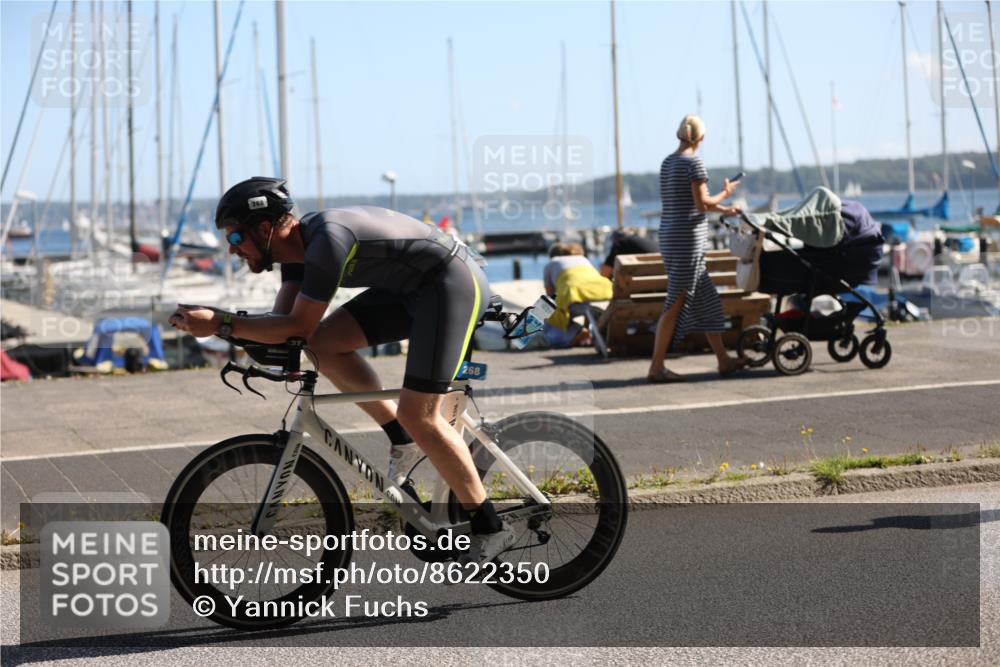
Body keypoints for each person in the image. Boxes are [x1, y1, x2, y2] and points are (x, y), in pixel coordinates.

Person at [169, 177, 514, 562]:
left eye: (235, 239)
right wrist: (226, 329)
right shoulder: (295, 255)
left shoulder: (326, 242)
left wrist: (221, 323)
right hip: (410, 290)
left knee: (421, 414)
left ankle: (490, 528)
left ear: (265, 229)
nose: (233, 251)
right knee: (323, 345)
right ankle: (401, 438)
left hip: (451, 285)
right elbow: (286, 326)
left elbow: (294, 326)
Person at [648, 115, 747, 383]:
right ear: (701, 138)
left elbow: (685, 202)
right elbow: (702, 204)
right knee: (676, 300)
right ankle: (656, 367)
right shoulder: (695, 163)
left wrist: (722, 205)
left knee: (706, 301)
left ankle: (723, 361)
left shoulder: (668, 162)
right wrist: (726, 195)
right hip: (687, 240)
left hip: (669, 235)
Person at [542, 242, 611, 348]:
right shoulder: (583, 259)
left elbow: (550, 295)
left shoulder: (551, 263)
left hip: (577, 297)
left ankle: (573, 334)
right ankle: (580, 332)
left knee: (544, 308)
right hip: (606, 295)